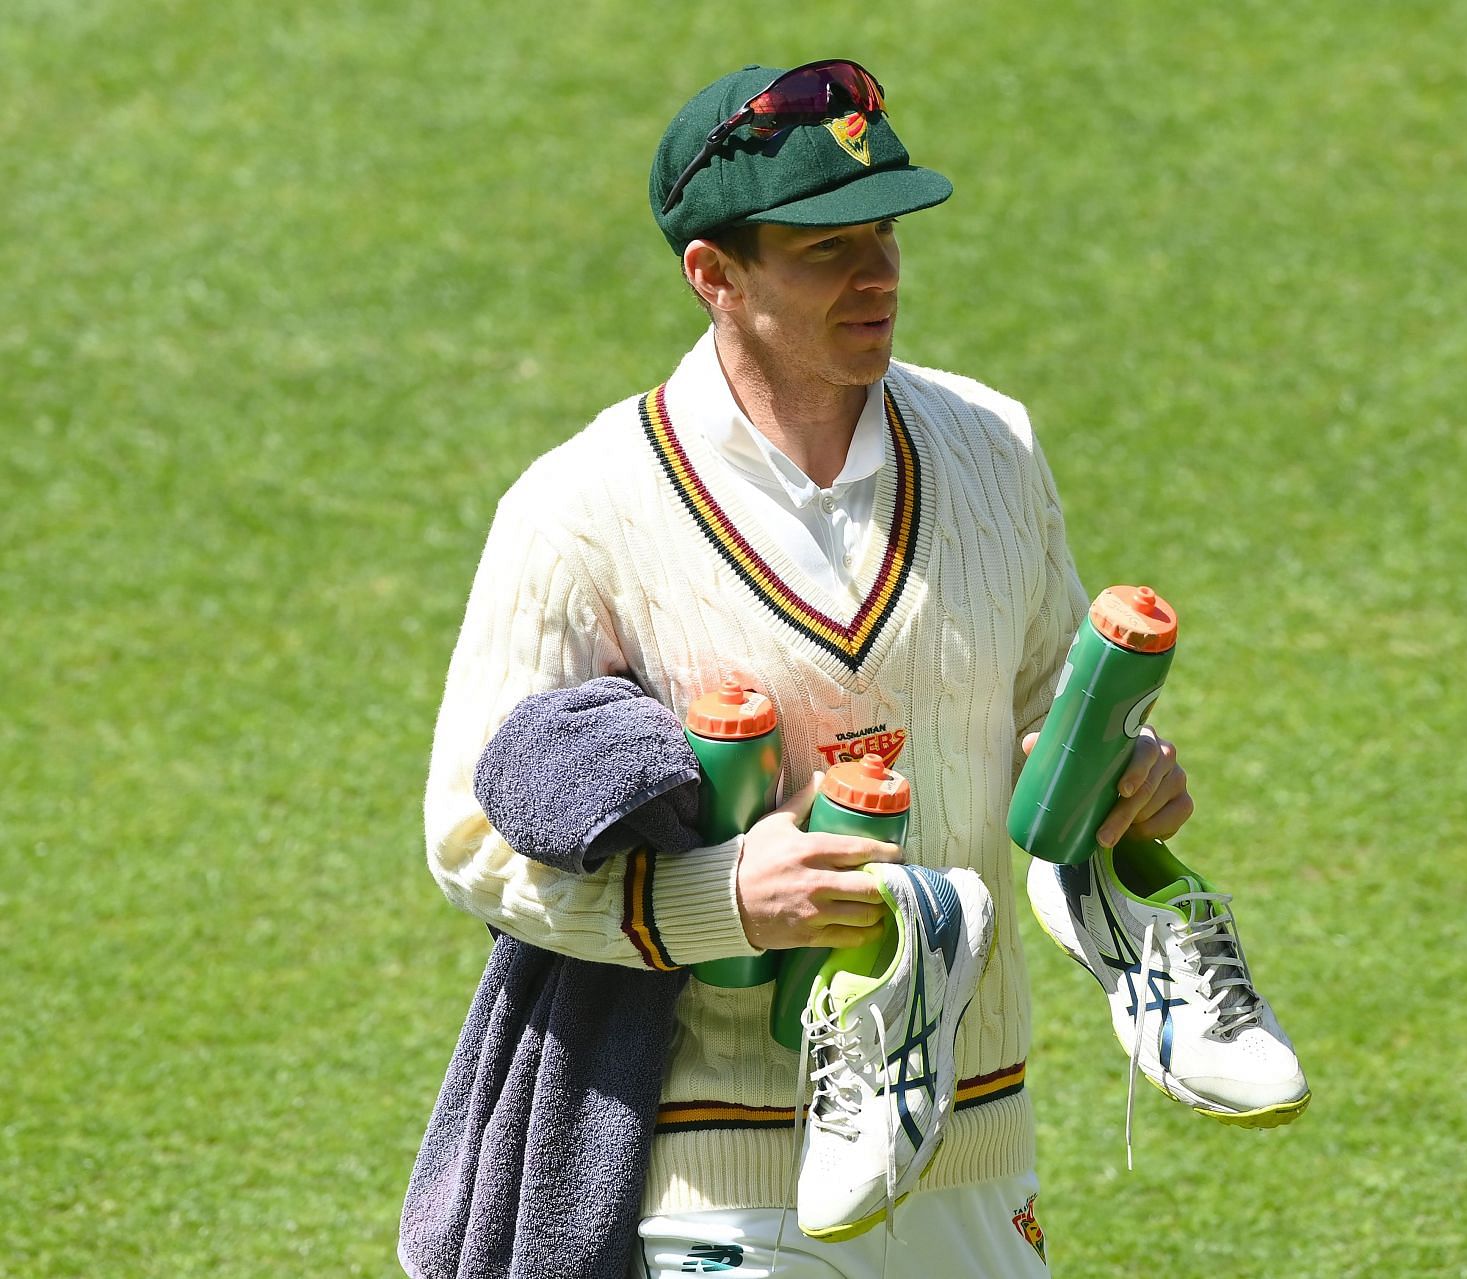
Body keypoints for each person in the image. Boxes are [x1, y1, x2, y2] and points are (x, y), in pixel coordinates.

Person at [419, 60, 1192, 1278]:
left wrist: (1119, 784)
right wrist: (720, 901)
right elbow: (469, 830)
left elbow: (1039, 731)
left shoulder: (994, 445)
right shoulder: (577, 511)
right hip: (716, 1169)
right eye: (825, 247)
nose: (878, 272)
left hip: (974, 1147)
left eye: (884, 231)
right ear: (713, 276)